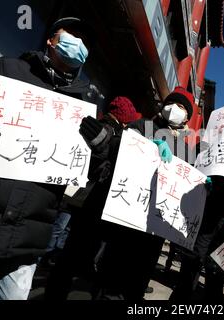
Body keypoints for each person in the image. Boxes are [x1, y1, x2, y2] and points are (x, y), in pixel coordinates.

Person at [0, 17, 92, 300]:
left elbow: (84, 165)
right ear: (51, 40)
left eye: (82, 38)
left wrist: (100, 144)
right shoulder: (4, 69)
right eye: (70, 34)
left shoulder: (83, 104)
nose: (77, 42)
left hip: (30, 230)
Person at [92, 86, 197, 300]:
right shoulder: (142, 125)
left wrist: (201, 186)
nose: (174, 109)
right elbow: (118, 147)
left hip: (155, 226)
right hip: (127, 217)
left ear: (187, 117)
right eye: (172, 104)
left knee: (137, 281)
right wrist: (148, 145)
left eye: (181, 107)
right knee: (113, 278)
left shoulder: (186, 149)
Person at [44, 96, 139, 300]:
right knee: (74, 253)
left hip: (87, 202)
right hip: (93, 202)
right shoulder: (107, 132)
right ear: (124, 119)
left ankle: (57, 290)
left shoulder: (111, 130)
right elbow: (97, 163)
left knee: (72, 250)